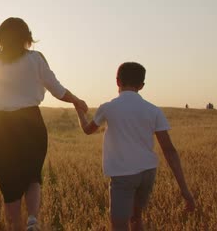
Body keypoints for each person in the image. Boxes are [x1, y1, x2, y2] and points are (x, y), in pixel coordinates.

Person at [0, 17, 88, 231]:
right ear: (26, 37)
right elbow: (57, 89)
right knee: (33, 175)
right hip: (32, 122)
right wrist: (76, 100)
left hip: (2, 125)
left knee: (9, 182)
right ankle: (32, 220)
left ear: (0, 36)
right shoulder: (36, 58)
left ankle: (17, 227)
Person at [75, 62, 195, 231]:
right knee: (136, 218)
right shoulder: (154, 111)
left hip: (123, 175)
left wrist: (79, 111)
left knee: (119, 225)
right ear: (142, 85)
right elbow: (169, 150)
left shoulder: (108, 108)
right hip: (147, 173)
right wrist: (184, 190)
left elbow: (88, 130)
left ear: (117, 82)